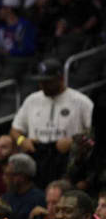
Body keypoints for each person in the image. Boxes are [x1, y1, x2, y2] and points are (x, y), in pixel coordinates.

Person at [10, 58, 93, 187]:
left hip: (66, 157)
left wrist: (73, 141)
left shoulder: (81, 102)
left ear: (60, 78)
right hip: (38, 153)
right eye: (41, 82)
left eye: (48, 82)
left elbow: (94, 133)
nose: (43, 86)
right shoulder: (32, 100)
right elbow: (15, 130)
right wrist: (22, 140)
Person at [2, 153, 46, 219]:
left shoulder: (39, 200)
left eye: (7, 174)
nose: (3, 178)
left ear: (21, 177)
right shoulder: (7, 197)